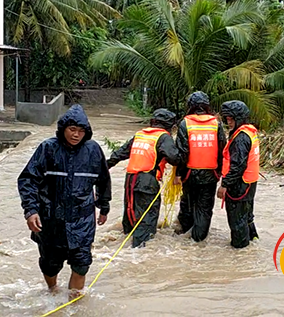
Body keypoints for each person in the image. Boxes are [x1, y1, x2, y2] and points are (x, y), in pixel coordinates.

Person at [17, 104, 112, 299]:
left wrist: (104, 206)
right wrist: (31, 210)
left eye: (81, 131)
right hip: (51, 219)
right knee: (50, 264)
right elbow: (27, 179)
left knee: (81, 264)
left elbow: (103, 179)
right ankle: (52, 291)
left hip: (82, 220)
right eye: (72, 130)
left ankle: (73, 306)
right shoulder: (48, 148)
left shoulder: (93, 150)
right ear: (63, 129)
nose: (76, 135)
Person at [107, 108, 181, 248]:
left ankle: (124, 247)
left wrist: (104, 167)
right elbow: (174, 158)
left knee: (130, 212)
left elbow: (120, 154)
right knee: (147, 216)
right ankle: (140, 250)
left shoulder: (140, 134)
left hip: (130, 180)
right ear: (169, 126)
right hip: (147, 181)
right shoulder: (163, 137)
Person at [174, 91, 227, 242]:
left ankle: (185, 237)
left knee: (188, 205)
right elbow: (222, 149)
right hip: (211, 174)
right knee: (204, 208)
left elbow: (182, 152)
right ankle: (198, 240)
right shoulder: (216, 124)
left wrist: (178, 174)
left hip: (189, 174)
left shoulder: (185, 123)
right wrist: (220, 173)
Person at [216, 101, 260, 248]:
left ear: (239, 118)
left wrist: (224, 184)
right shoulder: (250, 132)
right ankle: (252, 242)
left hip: (239, 185)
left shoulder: (240, 138)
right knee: (247, 216)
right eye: (227, 119)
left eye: (231, 119)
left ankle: (239, 250)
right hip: (249, 184)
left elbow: (237, 166)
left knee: (237, 220)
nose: (228, 122)